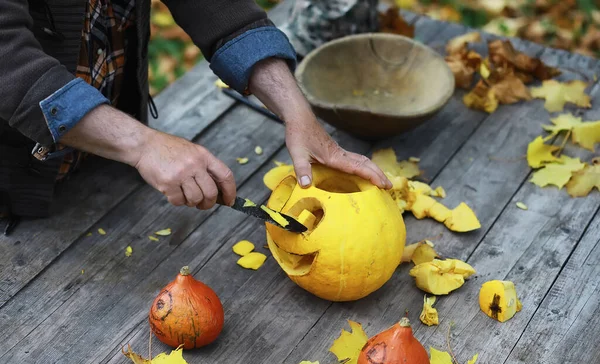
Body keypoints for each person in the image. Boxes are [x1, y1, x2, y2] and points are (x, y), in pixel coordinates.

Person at [0, 0, 391, 231]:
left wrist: (296, 111)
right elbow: (7, 58)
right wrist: (141, 144)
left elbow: (217, 8)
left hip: (102, 159)